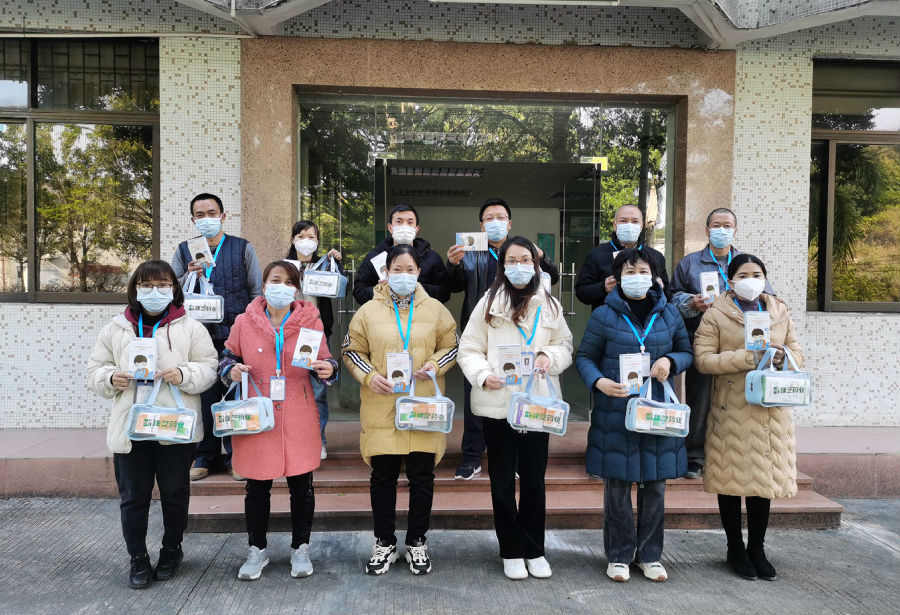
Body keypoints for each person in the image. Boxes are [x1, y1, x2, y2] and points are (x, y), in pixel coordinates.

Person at [86, 260, 218, 589]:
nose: (154, 291)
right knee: (133, 497)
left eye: (162, 285)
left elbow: (209, 367)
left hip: (174, 427)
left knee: (175, 494)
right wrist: (110, 378)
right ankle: (138, 557)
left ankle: (172, 549)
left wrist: (184, 374)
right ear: (135, 289)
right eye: (146, 285)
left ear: (174, 289)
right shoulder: (117, 328)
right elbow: (95, 370)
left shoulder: (190, 327)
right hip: (131, 428)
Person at [457, 236, 573, 580]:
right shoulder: (488, 304)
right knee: (502, 481)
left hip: (537, 403)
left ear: (535, 265)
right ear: (502, 265)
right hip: (498, 403)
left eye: (525, 260)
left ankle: (534, 549)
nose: (519, 266)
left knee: (535, 480)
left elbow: (564, 344)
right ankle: (510, 549)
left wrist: (547, 356)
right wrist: (483, 375)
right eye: (512, 260)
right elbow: (469, 348)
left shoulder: (549, 305)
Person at [575, 248, 692, 583]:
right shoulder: (604, 315)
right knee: (617, 487)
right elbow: (585, 357)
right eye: (629, 272)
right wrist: (599, 382)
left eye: (643, 271)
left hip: (657, 412)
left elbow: (686, 351)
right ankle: (619, 555)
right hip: (616, 411)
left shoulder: (669, 313)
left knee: (655, 487)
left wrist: (671, 361)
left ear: (654, 276)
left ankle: (650, 555)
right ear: (618, 277)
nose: (637, 277)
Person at [218, 260, 338, 581]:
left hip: (298, 411)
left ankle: (301, 547)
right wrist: (231, 369)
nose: (281, 286)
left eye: (288, 281)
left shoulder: (311, 321)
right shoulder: (244, 321)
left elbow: (326, 361)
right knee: (257, 486)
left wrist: (328, 369)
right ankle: (257, 549)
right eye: (275, 280)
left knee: (302, 486)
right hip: (258, 412)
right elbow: (227, 356)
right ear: (263, 285)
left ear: (296, 289)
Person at [342, 244, 458, 576]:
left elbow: (452, 345)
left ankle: (417, 541)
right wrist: (370, 376)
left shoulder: (435, 309)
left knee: (422, 477)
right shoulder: (368, 311)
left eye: (410, 270)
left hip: (422, 405)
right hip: (382, 406)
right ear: (386, 272)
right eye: (397, 269)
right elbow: (351, 350)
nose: (403, 275)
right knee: (383, 478)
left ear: (418, 272)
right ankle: (385, 542)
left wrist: (435, 365)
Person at [693, 253, 803, 582]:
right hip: (732, 408)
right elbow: (703, 360)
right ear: (730, 280)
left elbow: (798, 353)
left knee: (762, 481)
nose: (750, 280)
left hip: (771, 409)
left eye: (757, 274)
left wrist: (782, 357)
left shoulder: (779, 310)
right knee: (731, 479)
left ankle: (757, 547)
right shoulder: (716, 313)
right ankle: (734, 548)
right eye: (743, 275)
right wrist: (746, 357)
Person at [447, 197, 560, 481]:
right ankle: (472, 456)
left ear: (509, 223)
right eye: (489, 218)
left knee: (521, 391)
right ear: (481, 225)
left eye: (500, 217)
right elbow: (453, 287)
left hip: (520, 335)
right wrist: (453, 265)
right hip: (484, 333)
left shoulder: (522, 252)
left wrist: (542, 256)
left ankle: (519, 457)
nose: (494, 222)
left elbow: (553, 277)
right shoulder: (471, 253)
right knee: (479, 391)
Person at [669, 208, 774, 479]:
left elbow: (769, 298)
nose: (722, 230)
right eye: (717, 225)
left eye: (727, 225)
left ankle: (736, 452)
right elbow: (672, 298)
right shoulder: (690, 263)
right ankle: (695, 456)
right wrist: (691, 303)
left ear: (735, 230)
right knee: (700, 399)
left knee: (738, 399)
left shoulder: (745, 263)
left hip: (742, 343)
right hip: (703, 340)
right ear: (707, 230)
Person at [172, 192, 263, 482]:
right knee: (204, 394)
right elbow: (170, 293)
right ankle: (205, 456)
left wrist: (251, 329)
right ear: (193, 220)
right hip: (198, 335)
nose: (206, 219)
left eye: (212, 213)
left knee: (236, 393)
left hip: (235, 334)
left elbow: (256, 291)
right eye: (200, 215)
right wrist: (187, 276)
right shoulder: (184, 250)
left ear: (223, 216)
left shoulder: (242, 248)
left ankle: (237, 456)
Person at [286, 219, 344, 460]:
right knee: (290, 389)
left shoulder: (324, 265)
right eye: (301, 236)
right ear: (293, 240)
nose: (306, 241)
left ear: (318, 241)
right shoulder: (284, 267)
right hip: (288, 335)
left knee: (318, 391)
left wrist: (336, 263)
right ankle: (292, 439)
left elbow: (339, 288)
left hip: (316, 335)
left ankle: (318, 440)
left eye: (311, 237)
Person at [574, 203, 669, 311]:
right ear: (615, 225)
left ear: (641, 226)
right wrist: (603, 288)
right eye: (623, 221)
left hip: (648, 319)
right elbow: (581, 293)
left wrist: (660, 288)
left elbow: (668, 295)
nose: (629, 225)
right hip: (608, 318)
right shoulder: (596, 255)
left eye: (635, 221)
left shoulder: (656, 256)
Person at [352, 204, 450, 305]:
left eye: (410, 222)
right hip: (385, 313)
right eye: (399, 222)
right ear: (390, 227)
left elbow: (445, 293)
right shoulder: (375, 257)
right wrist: (381, 289)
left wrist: (416, 287)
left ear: (416, 229)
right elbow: (359, 293)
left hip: (422, 314)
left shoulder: (432, 258)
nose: (404, 226)